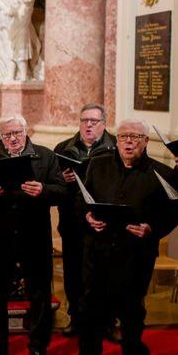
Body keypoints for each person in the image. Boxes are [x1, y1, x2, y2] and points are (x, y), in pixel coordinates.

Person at [78, 119, 178, 355]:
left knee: (131, 310)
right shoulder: (97, 165)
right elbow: (81, 200)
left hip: (135, 255)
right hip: (98, 252)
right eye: (123, 137)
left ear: (145, 141)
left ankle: (131, 349)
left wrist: (152, 228)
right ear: (117, 141)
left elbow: (173, 213)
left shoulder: (162, 173)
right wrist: (88, 216)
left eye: (135, 137)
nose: (129, 142)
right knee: (91, 310)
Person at [0, 114, 66, 355]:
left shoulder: (45, 155)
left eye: (17, 133)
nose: (12, 138)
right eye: (7, 134)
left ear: (26, 131)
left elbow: (62, 190)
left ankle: (37, 346)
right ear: (1, 136)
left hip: (34, 235)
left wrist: (43, 190)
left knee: (40, 293)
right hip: (0, 236)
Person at [52, 103, 116, 338]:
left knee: (104, 274)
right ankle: (76, 319)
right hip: (72, 221)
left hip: (104, 222)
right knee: (73, 273)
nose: (88, 125)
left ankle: (107, 321)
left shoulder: (116, 147)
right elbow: (54, 185)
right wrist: (62, 179)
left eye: (94, 121)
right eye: (84, 120)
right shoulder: (63, 148)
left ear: (104, 124)